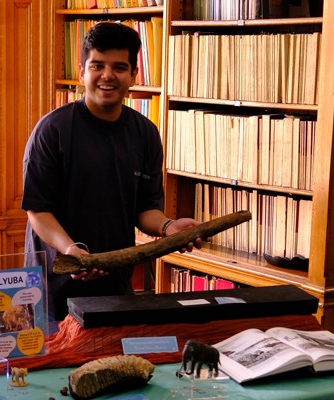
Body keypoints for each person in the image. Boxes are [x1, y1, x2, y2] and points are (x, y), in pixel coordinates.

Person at [21, 22, 204, 321]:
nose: (108, 75)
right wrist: (71, 250)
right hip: (53, 291)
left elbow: (145, 210)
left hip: (115, 291)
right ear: (82, 72)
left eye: (119, 67)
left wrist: (169, 227)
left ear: (133, 75)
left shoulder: (145, 134)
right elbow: (38, 211)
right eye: (98, 65)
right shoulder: (52, 130)